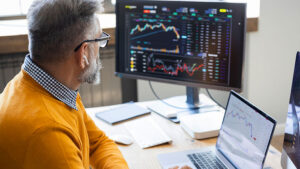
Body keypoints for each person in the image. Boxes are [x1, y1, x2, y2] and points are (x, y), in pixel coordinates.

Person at [0, 0, 129, 168]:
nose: (99, 48)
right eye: (99, 40)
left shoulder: (48, 87)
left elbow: (97, 143)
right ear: (83, 53)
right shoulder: (50, 135)